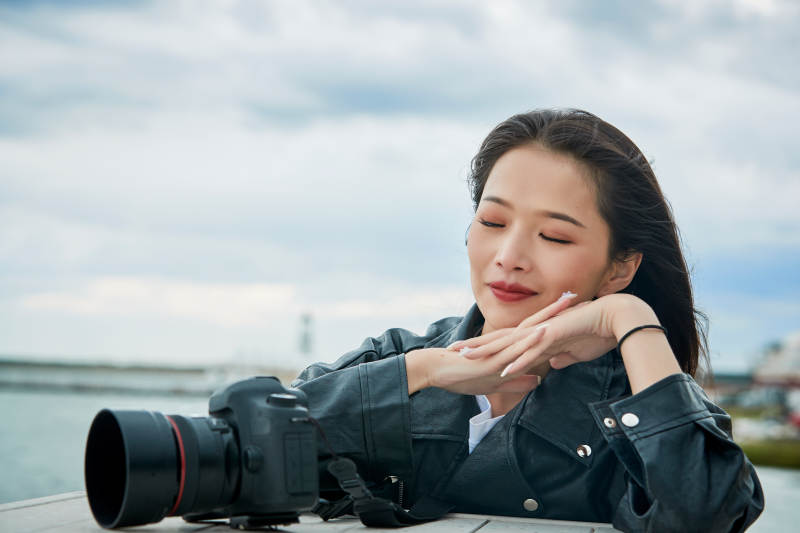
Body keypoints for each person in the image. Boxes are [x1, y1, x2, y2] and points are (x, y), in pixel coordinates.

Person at [293, 109, 764, 532]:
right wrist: (423, 371)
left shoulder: (633, 402)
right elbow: (243, 440)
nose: (509, 257)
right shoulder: (395, 358)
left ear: (619, 268)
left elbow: (704, 514)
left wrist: (633, 318)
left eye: (554, 236)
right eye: (493, 223)